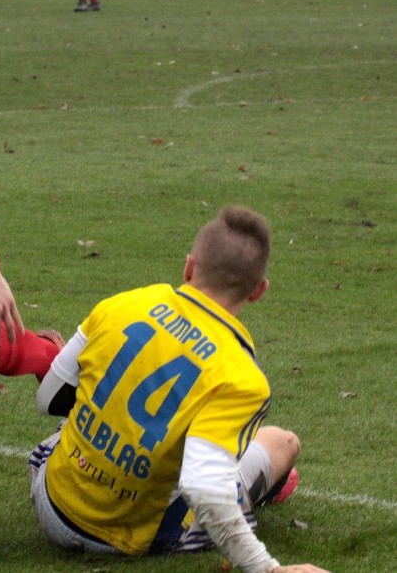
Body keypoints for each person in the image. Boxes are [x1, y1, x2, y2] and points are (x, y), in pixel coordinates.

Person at [29, 207, 329, 573]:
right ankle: (256, 487)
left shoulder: (124, 303)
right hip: (124, 538)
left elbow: (50, 398)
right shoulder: (241, 377)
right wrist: (267, 569)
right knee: (282, 443)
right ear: (258, 292)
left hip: (49, 495)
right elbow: (203, 488)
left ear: (189, 268)